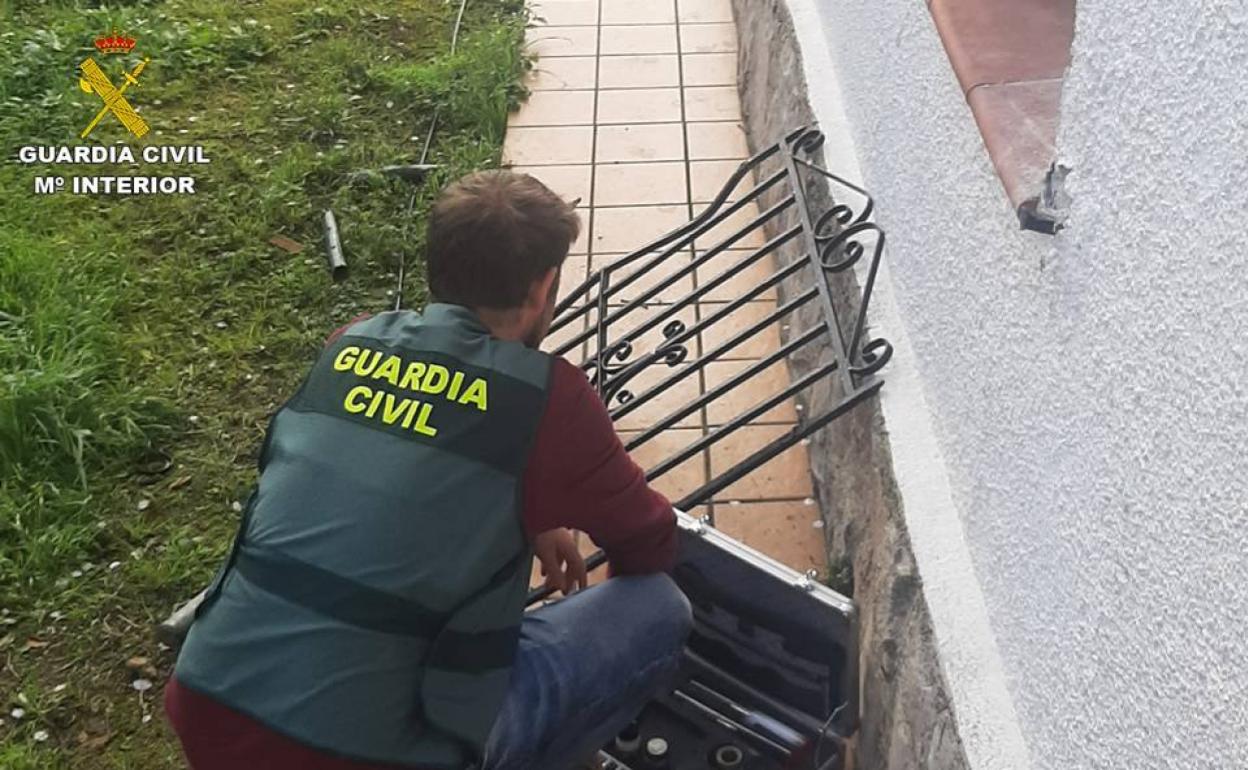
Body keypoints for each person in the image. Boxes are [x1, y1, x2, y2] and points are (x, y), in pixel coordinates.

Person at [164, 171, 692, 770]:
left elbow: (387, 469)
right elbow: (647, 543)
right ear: (544, 286)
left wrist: (533, 509)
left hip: (209, 705)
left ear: (436, 267)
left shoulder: (352, 343)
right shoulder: (549, 399)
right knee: (658, 610)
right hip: (372, 755)